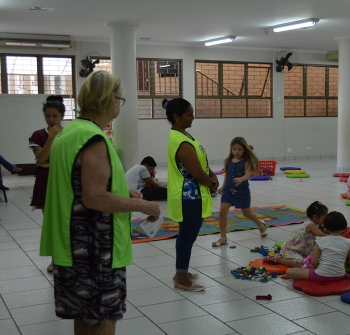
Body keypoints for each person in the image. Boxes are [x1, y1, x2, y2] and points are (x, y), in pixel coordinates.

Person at [39, 71, 160, 335]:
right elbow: (94, 198)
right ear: (109, 100)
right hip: (95, 248)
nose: (120, 104)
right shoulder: (94, 139)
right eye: (120, 99)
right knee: (103, 317)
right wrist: (143, 206)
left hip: (73, 243)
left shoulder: (70, 133)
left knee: (85, 315)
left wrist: (123, 191)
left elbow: (79, 184)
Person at [165, 98, 218, 292]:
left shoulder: (185, 136)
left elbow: (201, 162)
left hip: (195, 194)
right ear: (176, 117)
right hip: (189, 197)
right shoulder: (180, 141)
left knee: (186, 236)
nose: (193, 117)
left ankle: (181, 271)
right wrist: (211, 182)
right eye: (189, 115)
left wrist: (212, 174)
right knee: (187, 237)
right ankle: (181, 279)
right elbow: (196, 173)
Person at [29, 95, 65, 272]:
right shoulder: (38, 135)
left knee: (66, 221)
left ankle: (68, 258)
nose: (51, 120)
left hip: (64, 180)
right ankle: (55, 259)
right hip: (45, 181)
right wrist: (51, 137)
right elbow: (40, 157)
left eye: (55, 116)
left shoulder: (69, 134)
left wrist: (48, 163)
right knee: (51, 222)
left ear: (62, 116)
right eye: (47, 115)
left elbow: (71, 161)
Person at [212, 137, 268, 247]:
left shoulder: (246, 162)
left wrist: (241, 179)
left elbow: (248, 174)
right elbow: (227, 175)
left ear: (244, 150)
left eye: (239, 149)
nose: (236, 152)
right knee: (222, 212)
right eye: (234, 149)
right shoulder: (228, 161)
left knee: (246, 214)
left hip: (242, 192)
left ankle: (260, 224)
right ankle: (223, 238)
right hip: (228, 191)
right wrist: (223, 187)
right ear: (231, 149)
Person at [286, 211, 350, 282]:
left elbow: (314, 263)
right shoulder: (349, 242)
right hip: (340, 276)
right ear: (344, 228)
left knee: (289, 271)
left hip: (320, 276)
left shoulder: (320, 240)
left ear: (326, 227)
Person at [263, 201, 330, 268]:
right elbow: (322, 235)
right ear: (315, 217)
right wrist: (335, 237)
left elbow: (325, 231)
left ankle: (282, 256)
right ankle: (278, 259)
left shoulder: (317, 224)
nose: (326, 220)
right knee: (302, 266)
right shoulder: (311, 225)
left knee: (311, 260)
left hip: (299, 250)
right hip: (290, 249)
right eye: (324, 218)